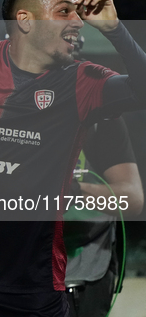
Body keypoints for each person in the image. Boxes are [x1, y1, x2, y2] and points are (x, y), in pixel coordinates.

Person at [0, 0, 146, 316]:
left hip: (36, 288)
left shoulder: (83, 82)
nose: (78, 20)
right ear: (25, 20)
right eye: (65, 11)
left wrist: (115, 30)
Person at [64, 116, 143, 317]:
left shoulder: (103, 119)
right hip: (15, 274)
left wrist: (73, 191)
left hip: (84, 276)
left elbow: (132, 199)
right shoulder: (8, 108)